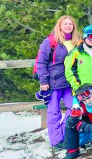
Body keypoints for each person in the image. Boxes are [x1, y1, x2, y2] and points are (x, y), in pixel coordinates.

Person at [36, 16, 79, 148]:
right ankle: (56, 140)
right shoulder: (50, 42)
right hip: (53, 82)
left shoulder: (76, 41)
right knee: (54, 112)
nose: (68, 26)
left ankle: (64, 135)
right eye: (65, 24)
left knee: (74, 109)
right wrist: (43, 82)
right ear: (59, 26)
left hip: (70, 83)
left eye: (70, 24)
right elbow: (41, 62)